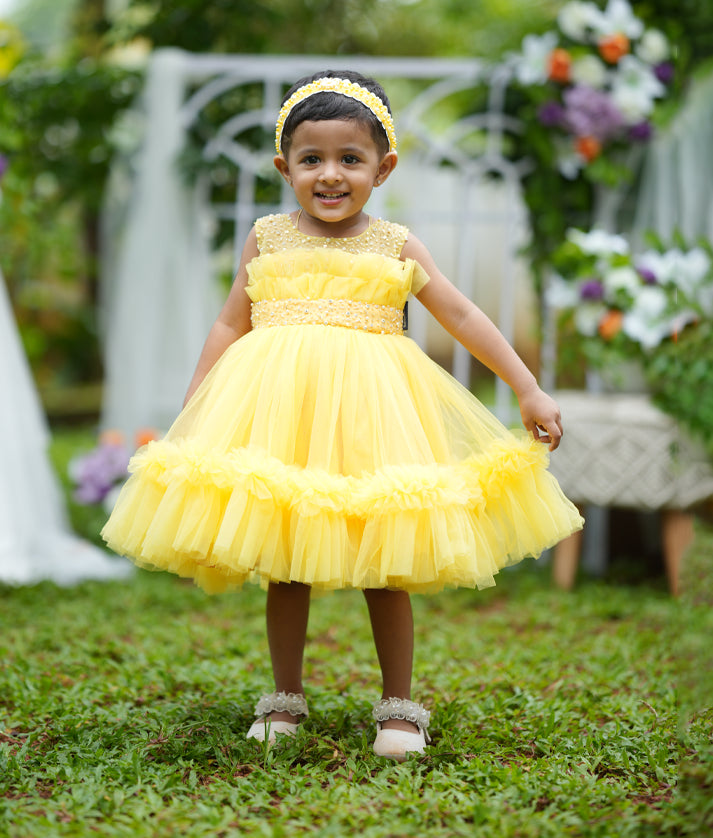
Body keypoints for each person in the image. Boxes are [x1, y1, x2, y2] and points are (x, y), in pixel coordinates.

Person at [102, 70, 583, 760]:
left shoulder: (394, 244)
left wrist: (528, 387)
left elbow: (463, 314)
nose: (330, 175)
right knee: (287, 556)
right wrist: (200, 399)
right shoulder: (267, 238)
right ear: (284, 166)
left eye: (350, 159)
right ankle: (285, 697)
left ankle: (398, 706)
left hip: (373, 418)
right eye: (312, 160)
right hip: (280, 416)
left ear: (382, 168)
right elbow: (227, 324)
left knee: (384, 557)